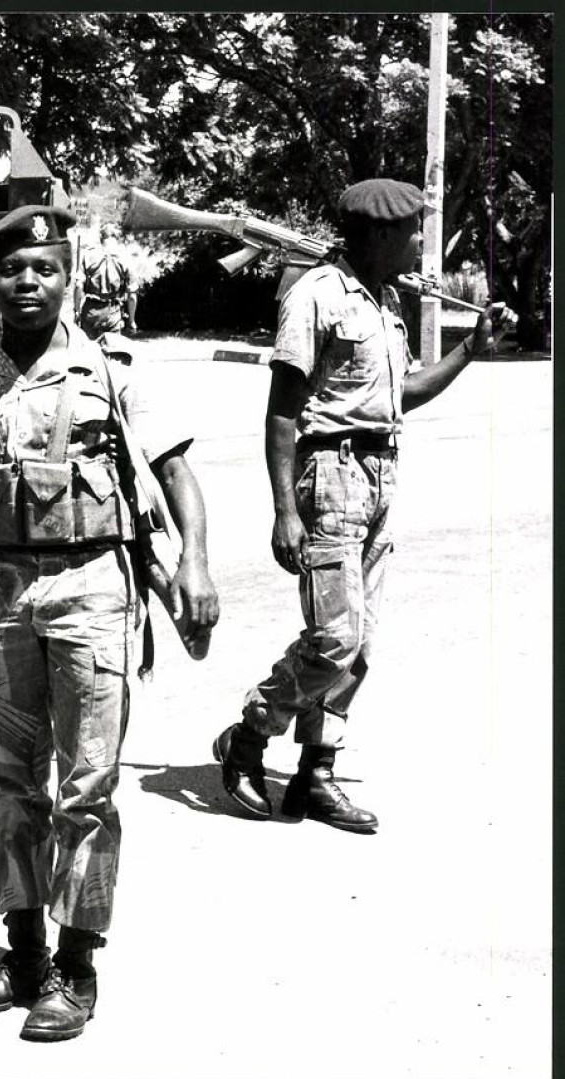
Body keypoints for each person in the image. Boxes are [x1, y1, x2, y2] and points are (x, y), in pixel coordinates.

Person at [0, 204, 219, 1041]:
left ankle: (76, 968)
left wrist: (192, 560)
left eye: (44, 268)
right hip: (0, 591)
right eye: (12, 269)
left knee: (86, 790)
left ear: (66, 276)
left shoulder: (110, 373)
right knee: (13, 782)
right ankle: (21, 955)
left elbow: (175, 469)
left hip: (92, 589)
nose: (27, 283)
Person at [213, 178, 517, 832]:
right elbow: (280, 414)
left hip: (381, 470)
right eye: (411, 230)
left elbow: (398, 393)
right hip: (329, 474)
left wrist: (470, 350)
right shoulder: (314, 297)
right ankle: (247, 735)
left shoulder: (383, 302)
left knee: (362, 643)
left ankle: (314, 773)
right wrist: (282, 509)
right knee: (334, 638)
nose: (418, 241)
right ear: (378, 234)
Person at [74, 222, 139, 339]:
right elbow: (132, 294)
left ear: (101, 237)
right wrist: (131, 320)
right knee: (113, 351)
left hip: (91, 311)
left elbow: (78, 286)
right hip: (113, 312)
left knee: (88, 351)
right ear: (117, 237)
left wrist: (77, 311)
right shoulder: (125, 257)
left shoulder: (88, 255)